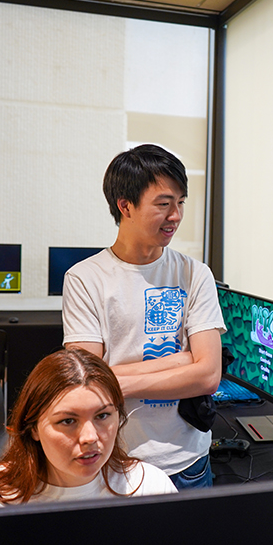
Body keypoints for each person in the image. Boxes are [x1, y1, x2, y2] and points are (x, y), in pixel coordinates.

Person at [62, 144, 226, 490]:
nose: (176, 216)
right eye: (164, 204)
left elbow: (209, 375)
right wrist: (182, 361)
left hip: (188, 462)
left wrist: (117, 379)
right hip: (118, 460)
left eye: (180, 203)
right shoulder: (85, 278)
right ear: (126, 206)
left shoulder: (195, 274)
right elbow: (86, 382)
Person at [0, 348, 176, 510]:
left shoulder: (149, 489)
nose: (90, 437)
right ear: (33, 427)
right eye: (67, 421)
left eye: (103, 416)